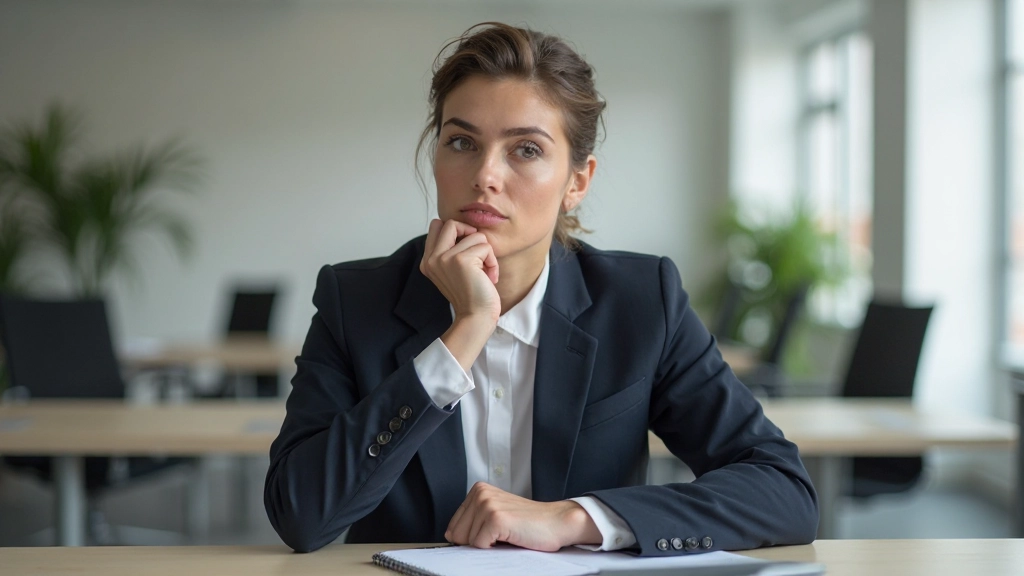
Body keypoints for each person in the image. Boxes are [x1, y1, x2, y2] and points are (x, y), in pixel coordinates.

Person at [264, 22, 818, 556]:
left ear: (577, 181)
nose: (485, 175)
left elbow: (782, 489)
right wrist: (464, 333)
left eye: (525, 149)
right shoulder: (356, 300)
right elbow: (300, 514)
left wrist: (575, 518)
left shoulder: (642, 302)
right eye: (461, 141)